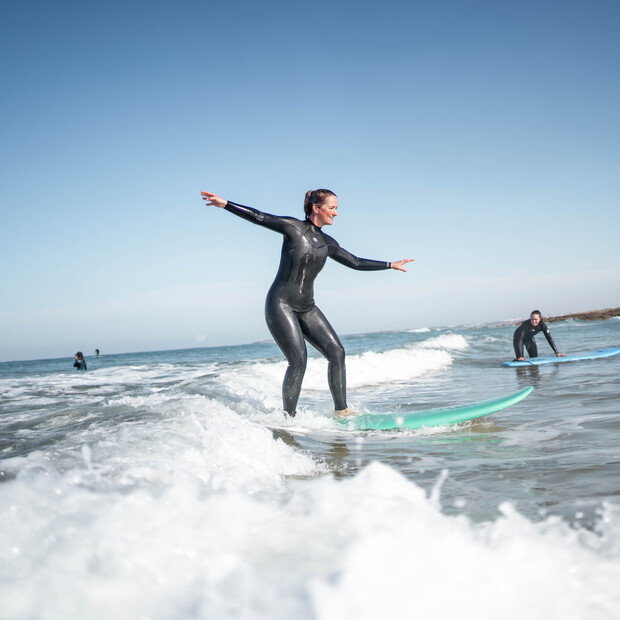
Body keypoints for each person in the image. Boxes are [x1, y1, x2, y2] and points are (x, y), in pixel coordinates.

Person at [201, 189, 413, 418]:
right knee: (298, 360)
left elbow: (356, 262)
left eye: (336, 208)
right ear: (316, 208)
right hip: (281, 305)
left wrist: (390, 264)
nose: (336, 213)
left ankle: (341, 410)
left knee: (337, 352)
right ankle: (288, 418)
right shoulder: (293, 228)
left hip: (307, 307)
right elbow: (260, 217)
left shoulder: (327, 243)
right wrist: (226, 204)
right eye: (332, 208)